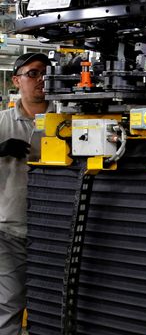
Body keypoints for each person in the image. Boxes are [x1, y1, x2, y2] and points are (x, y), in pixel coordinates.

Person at [0, 52, 51, 335]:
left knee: (52, 305)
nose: (41, 79)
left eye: (46, 72)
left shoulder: (71, 118)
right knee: (8, 305)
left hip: (55, 233)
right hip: (9, 231)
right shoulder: (2, 121)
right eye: (33, 73)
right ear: (17, 80)